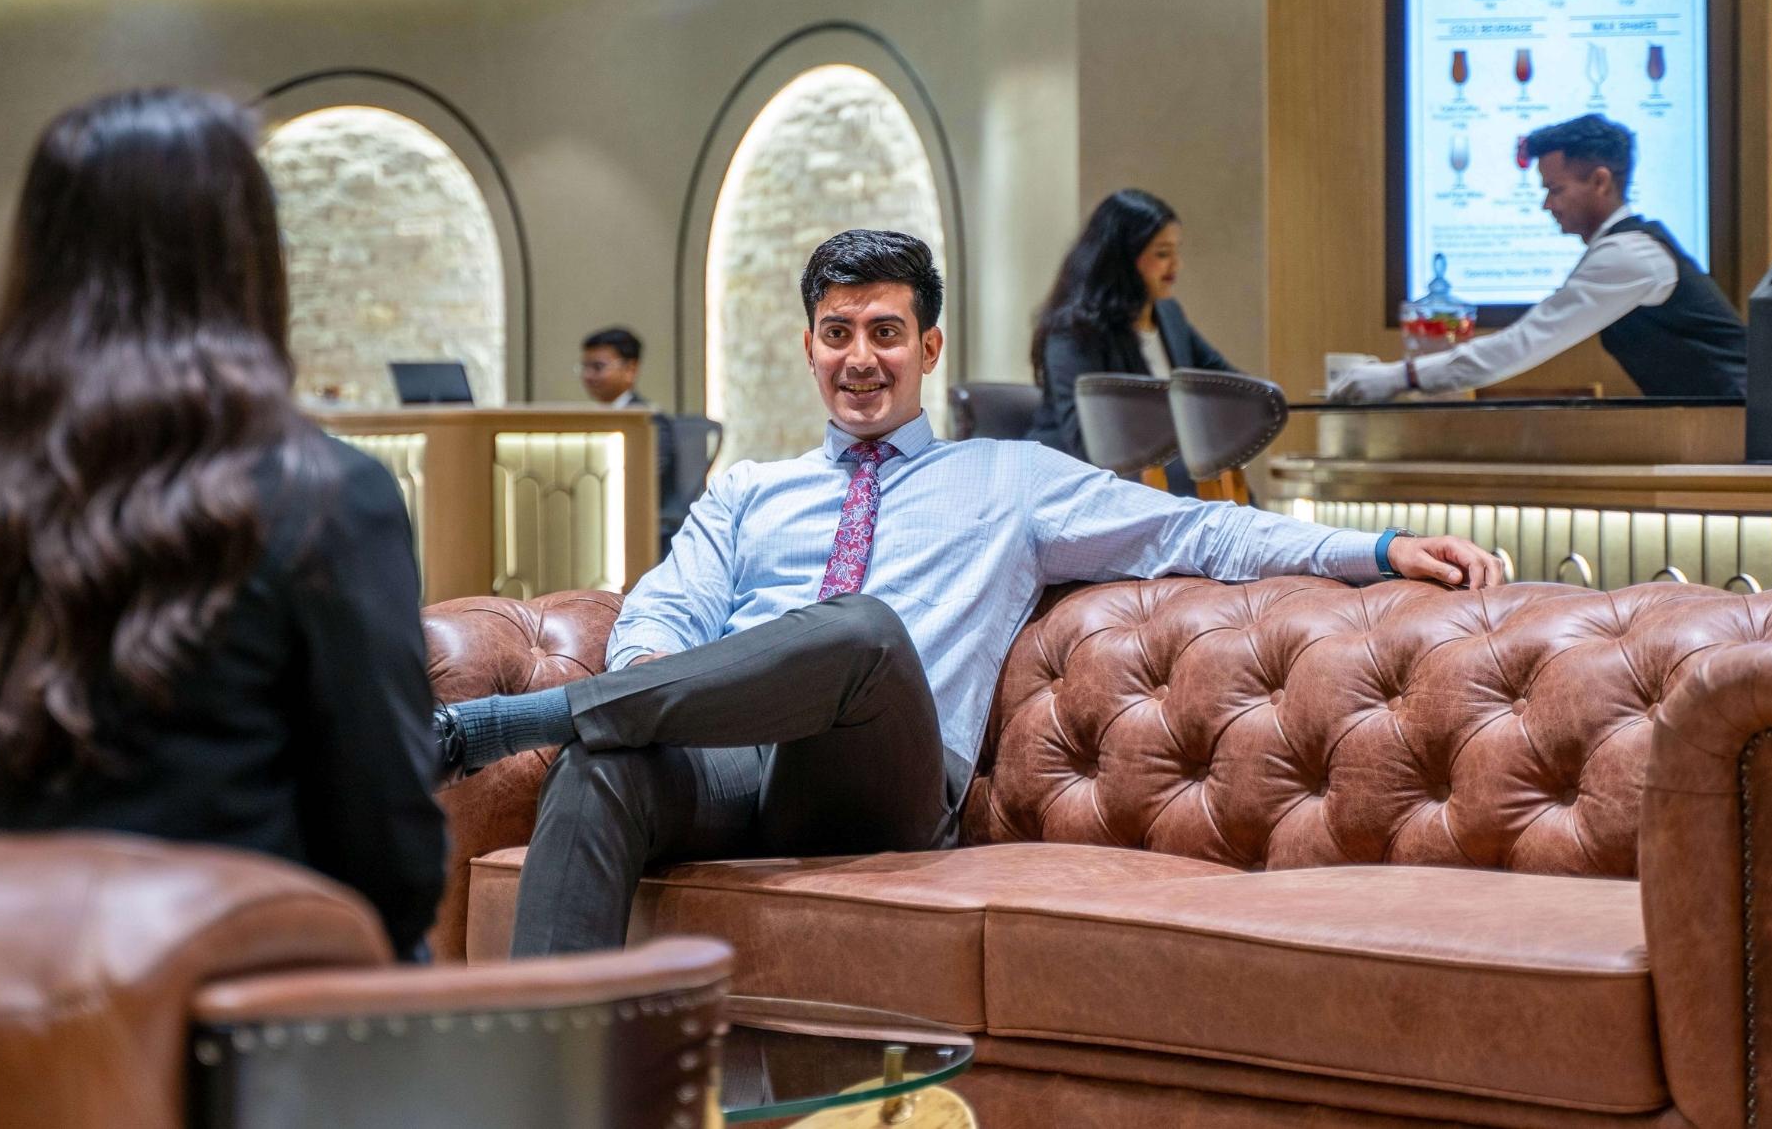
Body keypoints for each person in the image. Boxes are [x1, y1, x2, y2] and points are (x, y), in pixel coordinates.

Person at [433, 228, 1503, 957]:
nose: (861, 358)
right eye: (838, 333)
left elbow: (1197, 528)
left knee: (857, 631)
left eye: (885, 332)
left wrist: (1377, 544)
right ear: (809, 348)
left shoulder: (1010, 478)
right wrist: (645, 688)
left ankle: (505, 725)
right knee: (602, 766)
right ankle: (546, 1086)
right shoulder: (751, 490)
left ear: (928, 347)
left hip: (879, 777)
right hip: (726, 760)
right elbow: (666, 609)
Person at [0, 88, 447, 957]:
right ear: (248, 260)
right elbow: (393, 865)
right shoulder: (329, 496)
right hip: (241, 1016)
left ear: (37, 259)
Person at [1330, 114, 1746, 403]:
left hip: (1744, 429)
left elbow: (1524, 343)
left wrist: (1402, 376)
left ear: (1600, 181)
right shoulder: (1623, 248)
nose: (1547, 205)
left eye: (1555, 190)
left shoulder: (1630, 255)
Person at [1027, 190, 1241, 493]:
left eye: (1176, 251)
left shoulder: (1169, 315)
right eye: (1162, 254)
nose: (1176, 265)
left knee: (1232, 492)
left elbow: (1228, 383)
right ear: (1123, 259)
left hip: (1160, 481)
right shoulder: (1073, 332)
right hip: (1078, 487)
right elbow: (1086, 442)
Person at [580, 326, 679, 548]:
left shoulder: (648, 421)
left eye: (598, 367)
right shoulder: (590, 419)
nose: (588, 376)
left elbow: (646, 479)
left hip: (638, 528)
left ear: (630, 369)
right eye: (585, 367)